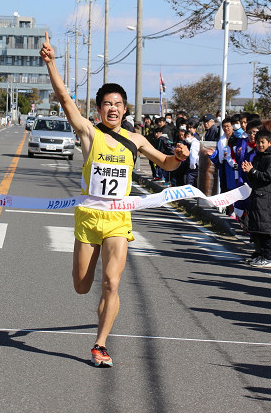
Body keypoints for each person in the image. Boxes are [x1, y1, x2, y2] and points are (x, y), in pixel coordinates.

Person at [40, 32, 189, 367]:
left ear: (125, 109)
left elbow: (164, 163)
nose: (113, 108)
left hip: (119, 220)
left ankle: (100, 344)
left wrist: (177, 158)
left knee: (112, 281)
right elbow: (65, 100)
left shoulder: (135, 140)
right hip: (89, 218)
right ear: (99, 108)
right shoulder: (89, 133)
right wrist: (51, 64)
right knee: (82, 285)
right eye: (107, 104)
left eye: (118, 104)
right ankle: (100, 313)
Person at [241, 129, 271, 267]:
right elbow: (255, 177)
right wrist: (248, 171)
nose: (260, 145)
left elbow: (269, 176)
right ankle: (259, 254)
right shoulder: (258, 156)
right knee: (257, 227)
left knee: (266, 228)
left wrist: (252, 171)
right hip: (258, 196)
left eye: (263, 142)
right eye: (258, 142)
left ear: (270, 143)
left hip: (268, 198)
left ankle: (267, 256)